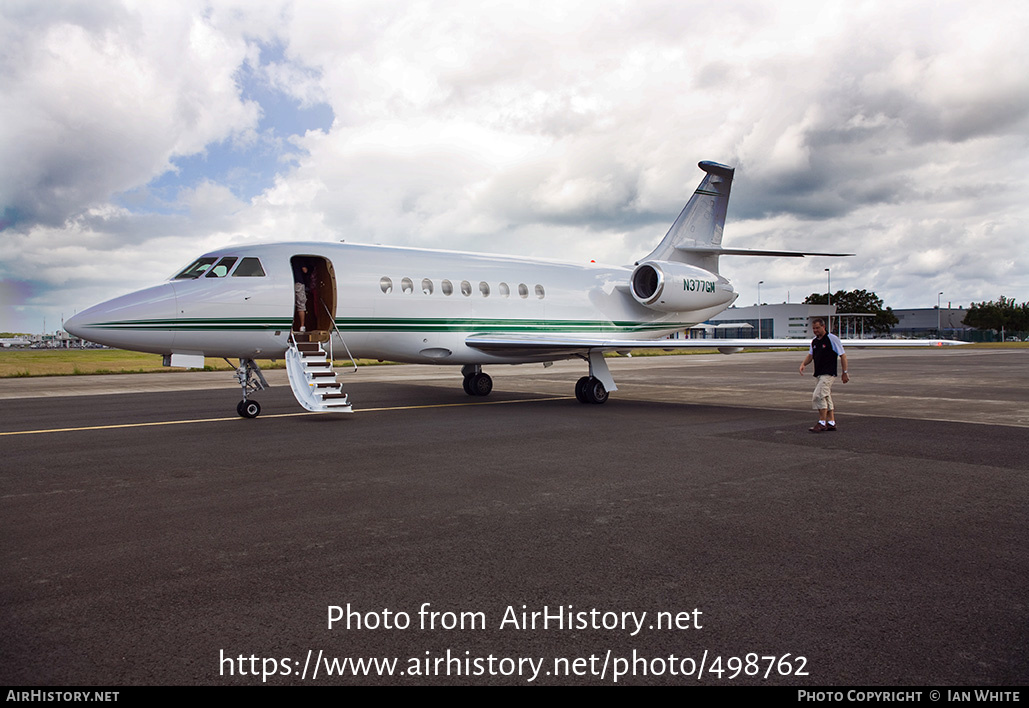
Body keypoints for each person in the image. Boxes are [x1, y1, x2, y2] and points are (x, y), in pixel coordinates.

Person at [799, 317, 849, 432]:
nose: (815, 330)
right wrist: (803, 364)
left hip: (829, 373)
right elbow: (810, 355)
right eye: (813, 328)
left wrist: (844, 372)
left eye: (817, 328)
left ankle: (822, 422)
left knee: (818, 395)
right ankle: (831, 422)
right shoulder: (815, 341)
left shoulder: (832, 339)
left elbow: (843, 355)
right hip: (818, 374)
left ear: (823, 327)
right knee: (826, 397)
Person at [294, 265, 310, 332]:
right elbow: (305, 270)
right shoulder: (298, 260)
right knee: (301, 305)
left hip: (288, 282)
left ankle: (292, 326)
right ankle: (302, 326)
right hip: (298, 283)